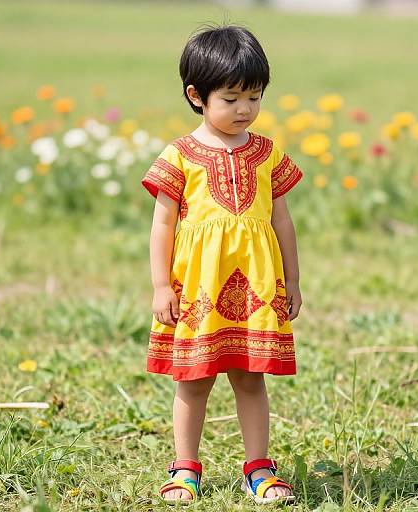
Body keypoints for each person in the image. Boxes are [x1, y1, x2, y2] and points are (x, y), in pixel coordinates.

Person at [141, 23, 303, 506]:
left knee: (251, 377)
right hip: (197, 290)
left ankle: (259, 469)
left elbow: (283, 222)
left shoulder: (267, 154)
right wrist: (159, 286)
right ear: (197, 95)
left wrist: (292, 278)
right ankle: (185, 469)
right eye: (231, 98)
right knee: (193, 380)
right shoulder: (181, 156)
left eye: (254, 97)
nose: (245, 109)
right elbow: (162, 227)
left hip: (255, 289)